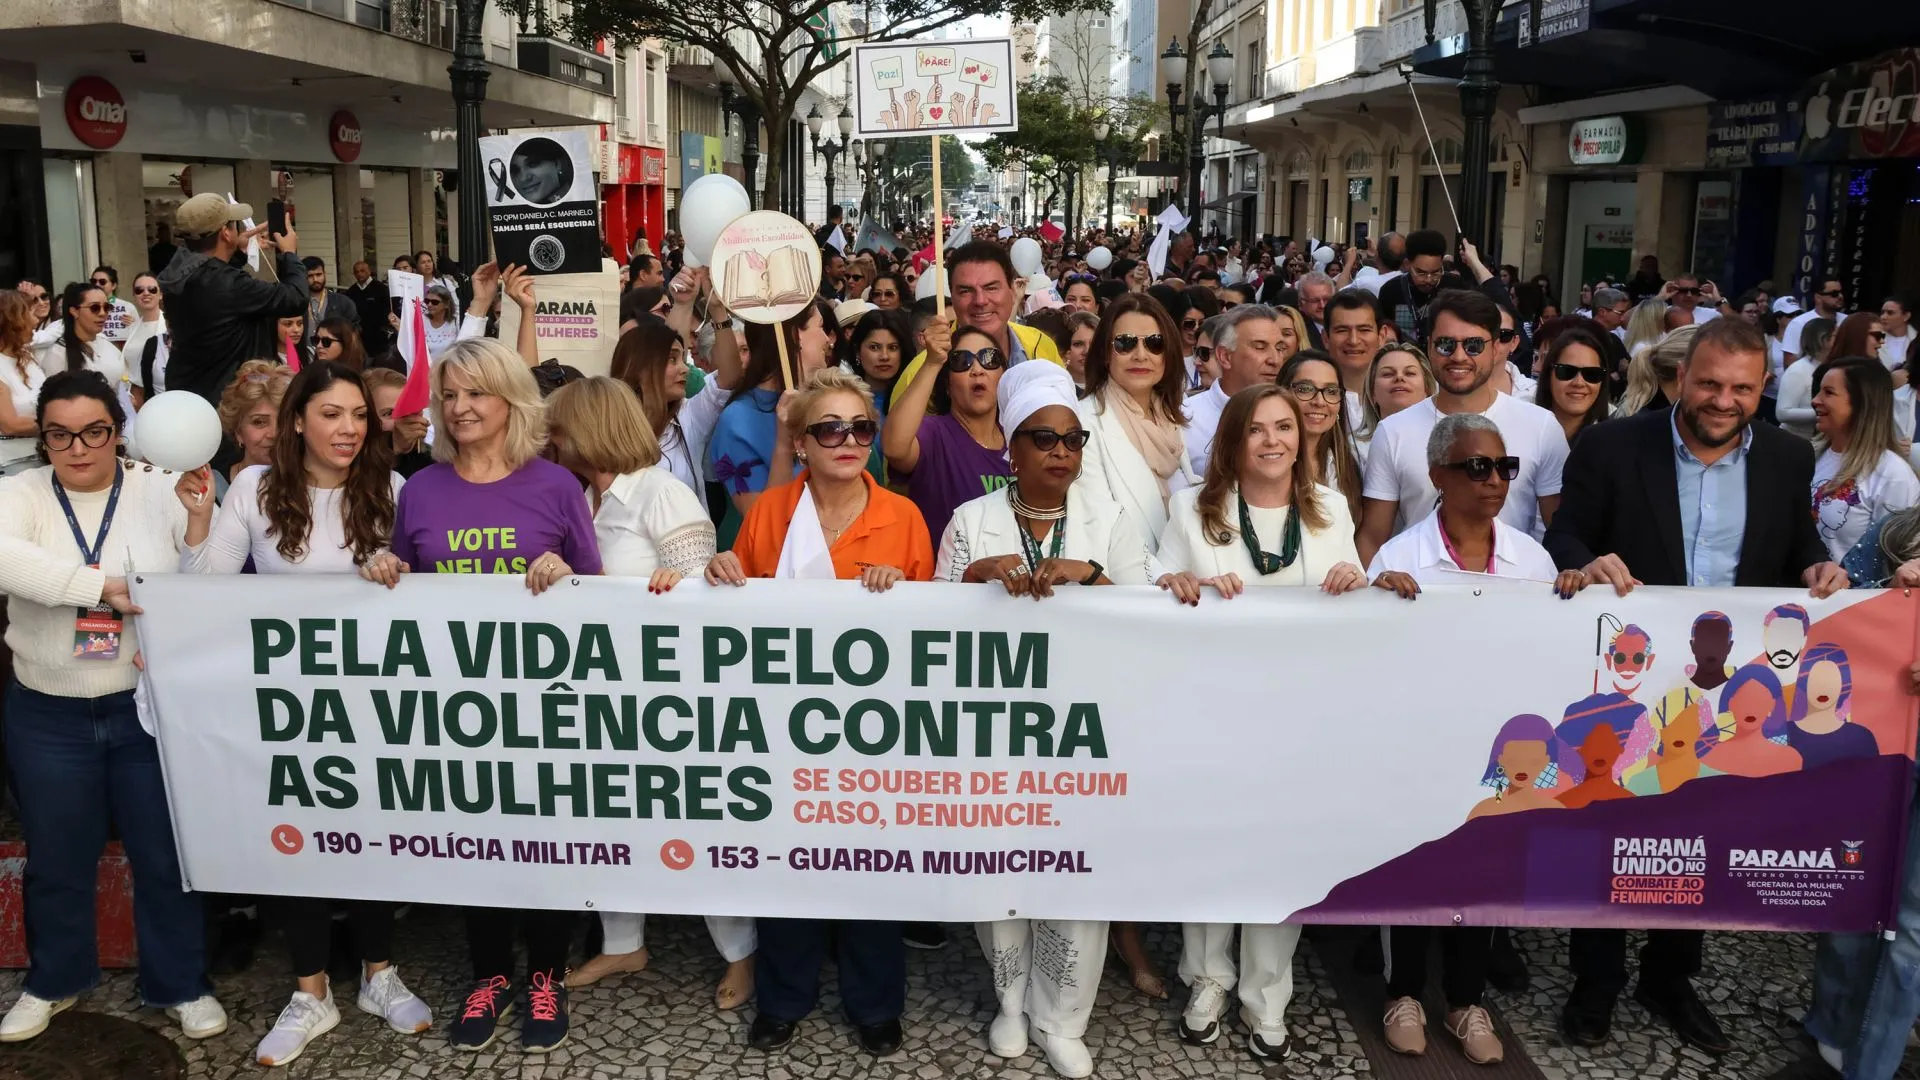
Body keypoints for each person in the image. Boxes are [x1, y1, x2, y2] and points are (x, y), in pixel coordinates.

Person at [1543, 315, 1846, 1056]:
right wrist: (1593, 560)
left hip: (1731, 681)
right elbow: (1564, 537)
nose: (1722, 400)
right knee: (1613, 823)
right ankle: (1597, 981)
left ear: (1763, 388)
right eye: (1709, 383)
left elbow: (1795, 543)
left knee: (1703, 828)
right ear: (1681, 377)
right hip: (1633, 672)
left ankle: (1671, 977)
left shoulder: (1784, 456)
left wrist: (1816, 566)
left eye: (1742, 388)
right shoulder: (1615, 444)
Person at [176, 361, 425, 1065]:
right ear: (296, 422)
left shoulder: (393, 490)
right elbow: (206, 594)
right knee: (299, 845)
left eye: (357, 415)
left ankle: (380, 973)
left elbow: (429, 604)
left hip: (373, 706)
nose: (348, 428)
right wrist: (198, 525)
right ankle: (310, 992)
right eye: (331, 414)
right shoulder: (254, 490)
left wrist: (392, 575)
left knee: (375, 840)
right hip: (289, 710)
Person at [360, 338, 602, 1053]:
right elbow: (408, 578)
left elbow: (600, 597)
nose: (460, 408)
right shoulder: (423, 489)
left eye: (476, 394)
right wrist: (381, 566)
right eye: (450, 395)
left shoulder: (556, 486)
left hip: (543, 704)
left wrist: (563, 572)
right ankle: (490, 977)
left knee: (548, 843)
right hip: (458, 708)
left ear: (511, 402)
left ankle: (547, 976)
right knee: (478, 846)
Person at [704, 368, 926, 1058]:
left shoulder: (905, 517)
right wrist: (721, 571)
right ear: (801, 442)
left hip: (875, 734)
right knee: (788, 868)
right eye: (830, 428)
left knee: (872, 872)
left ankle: (875, 1004)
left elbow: (935, 636)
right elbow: (737, 614)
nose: (848, 440)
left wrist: (901, 593)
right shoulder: (767, 513)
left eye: (861, 427)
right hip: (786, 733)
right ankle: (784, 998)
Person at [0, 370, 226, 1043]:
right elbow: (8, 561)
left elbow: (203, 587)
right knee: (58, 856)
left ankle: (181, 983)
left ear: (117, 431)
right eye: (60, 434)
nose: (78, 447)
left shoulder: (160, 488)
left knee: (163, 855)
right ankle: (54, 980)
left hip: (142, 708)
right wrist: (102, 587)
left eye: (94, 431)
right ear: (42, 438)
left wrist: (198, 523)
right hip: (48, 710)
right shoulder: (21, 493)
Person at [936, 361, 1144, 1079]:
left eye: (1072, 439)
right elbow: (930, 629)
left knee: (1076, 870)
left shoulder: (1110, 521)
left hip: (1085, 729)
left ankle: (1064, 1018)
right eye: (1042, 438)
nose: (1060, 452)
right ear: (1011, 450)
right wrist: (974, 579)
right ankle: (1011, 1002)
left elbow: (1147, 626)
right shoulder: (972, 521)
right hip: (997, 726)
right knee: (1000, 865)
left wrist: (1089, 576)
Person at [1155, 384, 1365, 1063]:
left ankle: (1268, 996)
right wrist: (1173, 586)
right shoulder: (1192, 508)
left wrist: (1353, 582)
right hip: (1213, 714)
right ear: (1232, 442)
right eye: (1257, 430)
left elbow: (1358, 598)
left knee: (1280, 857)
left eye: (1285, 427)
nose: (1273, 440)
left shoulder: (1329, 508)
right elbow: (1152, 589)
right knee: (1212, 848)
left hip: (1301, 722)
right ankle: (1208, 980)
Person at [542, 376, 756, 1010]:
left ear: (588, 431)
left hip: (671, 696)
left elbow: (708, 589)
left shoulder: (663, 494)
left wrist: (680, 585)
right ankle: (623, 940)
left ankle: (740, 954)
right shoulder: (576, 498)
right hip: (599, 689)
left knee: (698, 823)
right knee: (605, 817)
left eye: (558, 429)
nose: (548, 441)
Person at [1357, 289, 1568, 566]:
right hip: (1418, 598)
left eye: (1473, 346)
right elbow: (1373, 537)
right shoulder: (1393, 431)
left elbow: (1561, 530)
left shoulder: (1540, 426)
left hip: (1514, 593)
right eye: (1446, 344)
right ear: (1429, 346)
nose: (1459, 356)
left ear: (1495, 349)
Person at [157, 193, 307, 407]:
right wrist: (290, 253)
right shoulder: (227, 284)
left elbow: (217, 293)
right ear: (225, 233)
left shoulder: (178, 275)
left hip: (192, 396)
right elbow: (295, 298)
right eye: (234, 224)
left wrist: (237, 253)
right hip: (227, 404)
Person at [1076, 292, 1199, 551]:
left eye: (1155, 343)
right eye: (1125, 343)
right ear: (1105, 353)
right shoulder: (1084, 424)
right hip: (1129, 581)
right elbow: (1097, 527)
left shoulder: (1170, 417)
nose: (1141, 355)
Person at [709, 298, 836, 546]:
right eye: (819, 327)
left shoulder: (821, 402)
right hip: (759, 568)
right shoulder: (737, 419)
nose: (827, 339)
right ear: (793, 335)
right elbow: (762, 520)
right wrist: (783, 442)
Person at [887, 243, 1063, 411]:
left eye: (991, 288)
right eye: (966, 291)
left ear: (1012, 289)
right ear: (952, 297)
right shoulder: (919, 374)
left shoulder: (1042, 346)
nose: (980, 301)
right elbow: (898, 440)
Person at [883, 320, 1010, 542]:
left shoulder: (1019, 440)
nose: (977, 370)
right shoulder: (934, 434)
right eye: (962, 361)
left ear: (1004, 376)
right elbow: (895, 448)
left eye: (989, 358)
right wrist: (933, 362)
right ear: (947, 386)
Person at [1809, 356, 1920, 563]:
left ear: (1862, 404)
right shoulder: (1809, 456)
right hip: (1797, 590)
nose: (1815, 400)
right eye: (1819, 391)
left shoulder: (1893, 475)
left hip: (1856, 594)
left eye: (1829, 393)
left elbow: (1895, 559)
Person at [1184, 304, 1282, 478]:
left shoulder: (1293, 412)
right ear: (1225, 356)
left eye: (1279, 348)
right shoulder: (1184, 420)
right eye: (1260, 347)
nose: (1275, 359)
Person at [33, 282, 132, 427]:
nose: (103, 313)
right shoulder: (58, 353)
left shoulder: (108, 345)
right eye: (95, 308)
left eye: (107, 307)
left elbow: (122, 383)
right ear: (74, 311)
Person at [1279, 350, 1363, 517]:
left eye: (1331, 391)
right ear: (1282, 393)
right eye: (1305, 389)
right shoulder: (1266, 460)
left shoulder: (1347, 465)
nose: (1319, 401)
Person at [215, 361, 293, 486]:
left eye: (283, 421)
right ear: (238, 431)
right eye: (259, 422)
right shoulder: (213, 487)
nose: (274, 433)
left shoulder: (310, 485)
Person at [1534, 327, 1613, 444]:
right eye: (1567, 372)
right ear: (1548, 375)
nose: (1579, 383)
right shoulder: (1520, 431)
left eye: (1591, 374)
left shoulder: (1617, 440)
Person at [1, 292, 48, 476]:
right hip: (12, 466)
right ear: (12, 321)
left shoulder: (27, 358)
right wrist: (60, 422)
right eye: (30, 313)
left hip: (42, 458)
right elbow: (10, 424)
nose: (36, 321)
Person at [1324, 290, 1385, 431]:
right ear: (1325, 338)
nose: (1353, 340)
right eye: (1342, 330)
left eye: (1364, 330)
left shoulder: (1401, 393)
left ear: (1382, 336)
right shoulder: (1311, 400)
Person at [360, 367, 433, 478]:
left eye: (408, 410)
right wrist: (394, 449)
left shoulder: (431, 461)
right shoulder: (349, 463)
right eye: (389, 413)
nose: (403, 421)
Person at [1777, 317, 1838, 439]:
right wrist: (1825, 412)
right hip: (1794, 440)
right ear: (1822, 339)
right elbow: (1782, 413)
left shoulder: (1834, 367)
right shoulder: (1798, 370)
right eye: (1835, 336)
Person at [845, 308, 912, 415]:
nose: (884, 356)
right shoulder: (843, 399)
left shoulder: (914, 397)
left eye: (893, 348)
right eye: (874, 347)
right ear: (857, 351)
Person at [123, 273, 168, 407]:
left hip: (160, 397)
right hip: (133, 398)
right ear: (134, 295)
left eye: (152, 289)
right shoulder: (132, 327)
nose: (145, 293)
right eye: (139, 290)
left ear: (160, 294)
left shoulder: (170, 327)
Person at [1784, 278, 1848, 370]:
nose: (1840, 296)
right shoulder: (1798, 323)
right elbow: (1789, 362)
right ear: (1818, 297)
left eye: (1841, 292)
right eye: (1834, 294)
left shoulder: (1848, 320)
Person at [342, 261, 390, 356]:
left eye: (362, 271)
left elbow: (387, 310)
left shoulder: (381, 289)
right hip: (359, 337)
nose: (359, 274)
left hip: (379, 338)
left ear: (369, 271)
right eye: (356, 272)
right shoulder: (350, 292)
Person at [87, 266, 136, 346]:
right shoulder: (84, 306)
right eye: (93, 281)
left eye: (102, 282)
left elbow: (138, 336)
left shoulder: (128, 307)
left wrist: (134, 324)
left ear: (113, 285)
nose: (97, 284)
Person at [1060, 311, 1099, 390]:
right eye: (1077, 344)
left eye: (1093, 344)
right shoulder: (1054, 389)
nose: (1087, 351)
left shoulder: (1117, 387)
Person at [1882, 292, 1915, 375]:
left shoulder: (1916, 339)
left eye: (1890, 313)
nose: (1883, 317)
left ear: (1906, 316)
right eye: (1883, 312)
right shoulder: (1872, 338)